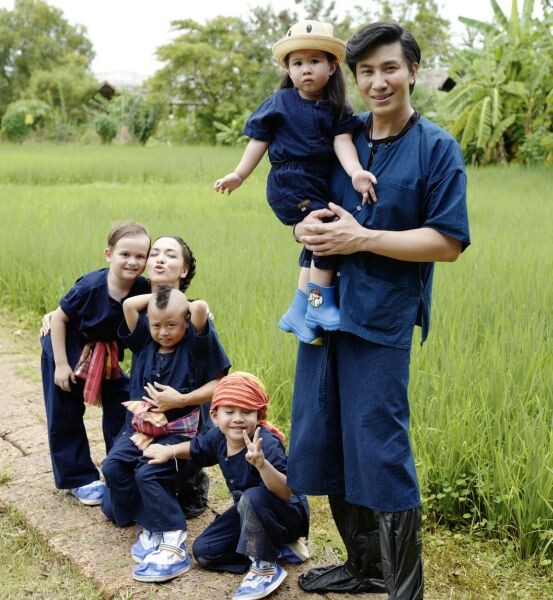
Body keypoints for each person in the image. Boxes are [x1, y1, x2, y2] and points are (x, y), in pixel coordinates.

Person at [287, 22, 471, 599]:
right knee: (327, 437)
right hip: (323, 311)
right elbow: (306, 202)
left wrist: (362, 239)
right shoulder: (342, 135)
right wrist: (301, 221)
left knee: (380, 447)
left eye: (390, 68)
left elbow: (448, 241)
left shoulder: (435, 148)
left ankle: (405, 589)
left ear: (413, 71)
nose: (378, 81)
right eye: (366, 71)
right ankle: (363, 565)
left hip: (381, 318)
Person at [214, 20, 377, 345]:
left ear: (331, 66)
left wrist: (356, 172)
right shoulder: (280, 103)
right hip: (289, 182)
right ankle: (319, 303)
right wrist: (239, 174)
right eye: (297, 63)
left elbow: (342, 143)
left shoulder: (337, 108)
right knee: (327, 231)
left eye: (314, 61)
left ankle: (298, 309)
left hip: (315, 183)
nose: (305, 69)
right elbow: (258, 141)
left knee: (316, 239)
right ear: (288, 69)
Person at [101, 284, 231, 583]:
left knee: (148, 472)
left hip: (178, 434)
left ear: (185, 321)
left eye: (171, 325)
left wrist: (184, 304)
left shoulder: (194, 346)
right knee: (113, 466)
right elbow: (130, 306)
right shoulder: (146, 340)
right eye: (156, 324)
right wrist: (162, 301)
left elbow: (199, 312)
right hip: (142, 428)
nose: (163, 332)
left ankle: (172, 534)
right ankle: (147, 523)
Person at [145, 371, 310, 600]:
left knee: (252, 496)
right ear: (214, 415)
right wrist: (169, 450)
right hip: (249, 514)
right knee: (205, 552)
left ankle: (265, 567)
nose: (238, 418)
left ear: (259, 414)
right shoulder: (218, 438)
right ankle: (278, 546)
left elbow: (285, 491)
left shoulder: (266, 444)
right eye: (229, 411)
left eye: (247, 412)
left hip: (286, 513)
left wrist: (262, 465)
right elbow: (196, 448)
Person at [40, 221, 151, 506]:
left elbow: (171, 300)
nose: (133, 261)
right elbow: (60, 319)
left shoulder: (143, 288)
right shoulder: (90, 287)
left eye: (141, 256)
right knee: (65, 409)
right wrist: (62, 365)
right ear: (109, 254)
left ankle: (120, 468)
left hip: (108, 352)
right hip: (69, 346)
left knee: (123, 402)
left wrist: (199, 308)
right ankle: (79, 478)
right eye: (125, 254)